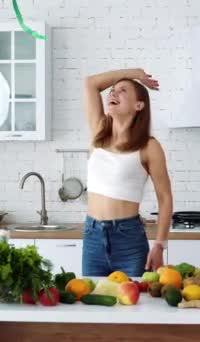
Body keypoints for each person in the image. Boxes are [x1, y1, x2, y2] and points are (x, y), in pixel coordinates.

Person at [82, 68, 173, 277]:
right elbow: (90, 82)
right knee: (92, 304)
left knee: (135, 306)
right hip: (92, 235)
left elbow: (165, 198)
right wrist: (133, 73)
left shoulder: (149, 147)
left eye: (122, 91)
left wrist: (159, 245)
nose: (112, 93)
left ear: (138, 105)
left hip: (128, 239)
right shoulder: (98, 131)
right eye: (112, 90)